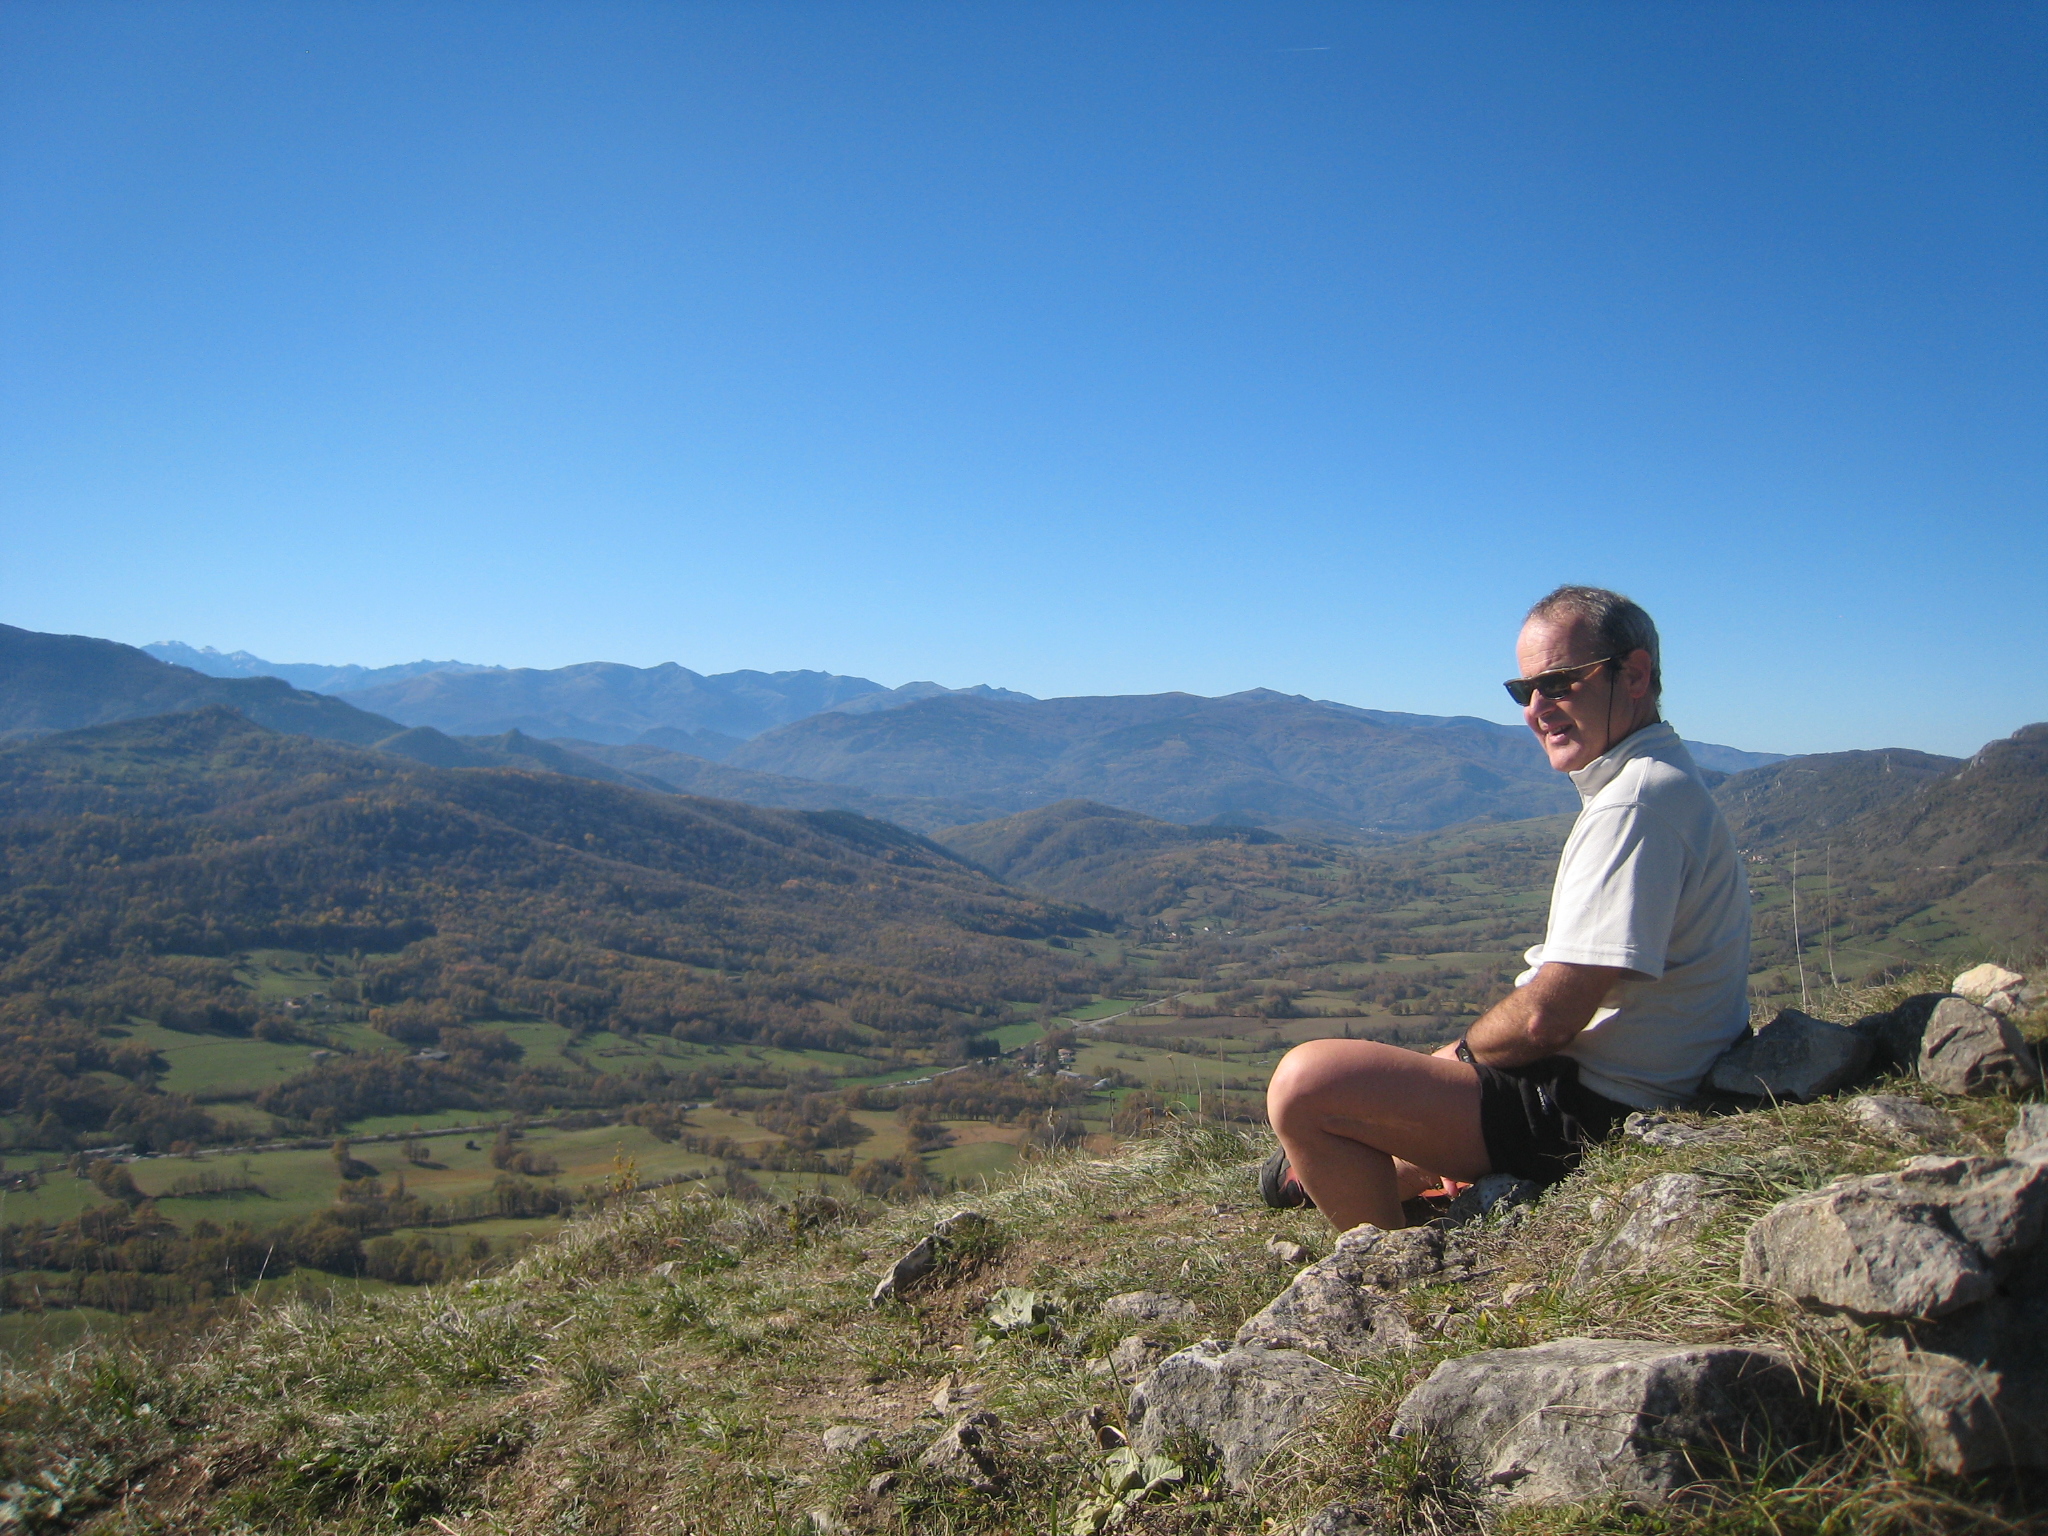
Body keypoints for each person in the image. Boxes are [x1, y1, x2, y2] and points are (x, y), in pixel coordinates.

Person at [1261, 585, 1751, 1233]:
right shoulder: (1654, 781)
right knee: (1373, 1100)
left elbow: (1548, 1017)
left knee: (1305, 1083)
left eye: (1559, 683)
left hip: (1597, 1106)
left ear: (1634, 675)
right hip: (1611, 1083)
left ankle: (1384, 1263)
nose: (1537, 709)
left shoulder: (1634, 803)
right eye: (1524, 690)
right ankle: (1358, 1166)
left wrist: (1460, 1058)